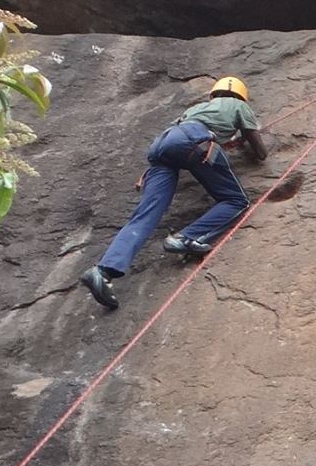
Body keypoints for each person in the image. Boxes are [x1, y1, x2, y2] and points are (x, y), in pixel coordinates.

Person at [79, 77, 268, 311]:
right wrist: (253, 145)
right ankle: (186, 237)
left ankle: (103, 270)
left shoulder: (195, 108)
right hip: (193, 141)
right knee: (236, 200)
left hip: (163, 146)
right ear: (240, 96)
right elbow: (260, 152)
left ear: (212, 95)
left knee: (146, 215)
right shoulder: (239, 105)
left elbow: (180, 136)